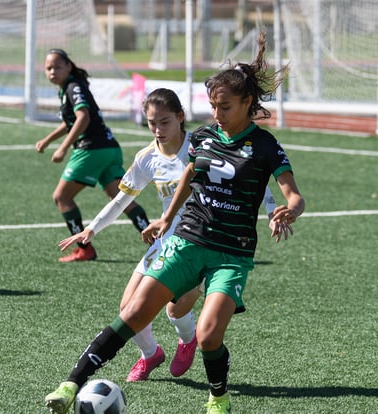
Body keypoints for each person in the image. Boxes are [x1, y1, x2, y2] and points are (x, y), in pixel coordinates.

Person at [44, 32, 304, 414]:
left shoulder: (265, 145)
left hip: (232, 255)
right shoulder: (203, 137)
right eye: (213, 106)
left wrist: (290, 209)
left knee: (209, 335)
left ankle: (218, 397)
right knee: (131, 313)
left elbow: (292, 192)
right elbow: (188, 177)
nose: (217, 115)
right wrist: (166, 218)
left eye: (226, 107)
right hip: (186, 240)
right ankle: (69, 385)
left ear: (248, 103)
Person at [56, 87, 287, 385]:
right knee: (129, 309)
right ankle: (150, 355)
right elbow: (122, 199)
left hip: (205, 238)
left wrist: (272, 210)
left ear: (180, 118)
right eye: (151, 123)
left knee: (175, 309)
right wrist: (92, 229)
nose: (157, 129)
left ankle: (188, 339)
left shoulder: (204, 143)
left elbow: (251, 180)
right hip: (168, 239)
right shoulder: (147, 157)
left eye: (164, 122)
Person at [35, 49, 149, 262]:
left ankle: (84, 248)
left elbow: (83, 118)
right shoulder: (70, 87)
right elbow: (70, 121)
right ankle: (156, 243)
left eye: (58, 67)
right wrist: (49, 140)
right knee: (121, 199)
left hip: (91, 150)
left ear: (69, 66)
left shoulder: (73, 87)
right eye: (49, 68)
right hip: (110, 148)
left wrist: (63, 148)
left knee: (62, 197)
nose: (53, 72)